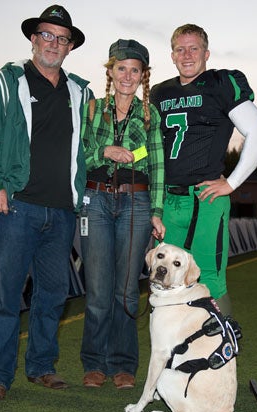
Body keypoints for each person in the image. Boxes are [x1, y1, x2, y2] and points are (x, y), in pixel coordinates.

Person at [0, 5, 93, 403]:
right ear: (33, 39)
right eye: (46, 35)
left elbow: (87, 147)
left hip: (62, 212)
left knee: (52, 295)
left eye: (62, 38)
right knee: (5, 296)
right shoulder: (3, 82)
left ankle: (41, 367)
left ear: (70, 47)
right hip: (16, 208)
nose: (53, 43)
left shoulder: (80, 92)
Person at [150, 24, 257, 316]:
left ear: (206, 53)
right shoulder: (159, 92)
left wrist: (232, 183)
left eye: (194, 48)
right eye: (180, 49)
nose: (187, 55)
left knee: (210, 278)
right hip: (168, 200)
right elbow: (153, 145)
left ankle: (222, 348)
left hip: (206, 198)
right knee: (163, 279)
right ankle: (174, 352)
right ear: (172, 54)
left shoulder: (220, 83)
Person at [80, 39, 165, 389]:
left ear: (143, 76)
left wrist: (157, 212)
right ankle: (95, 363)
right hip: (96, 201)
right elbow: (80, 156)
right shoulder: (92, 109)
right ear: (110, 71)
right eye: (121, 68)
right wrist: (105, 151)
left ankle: (124, 364)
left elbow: (158, 165)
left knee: (128, 291)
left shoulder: (150, 114)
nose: (127, 76)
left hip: (137, 204)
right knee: (98, 289)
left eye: (135, 70)